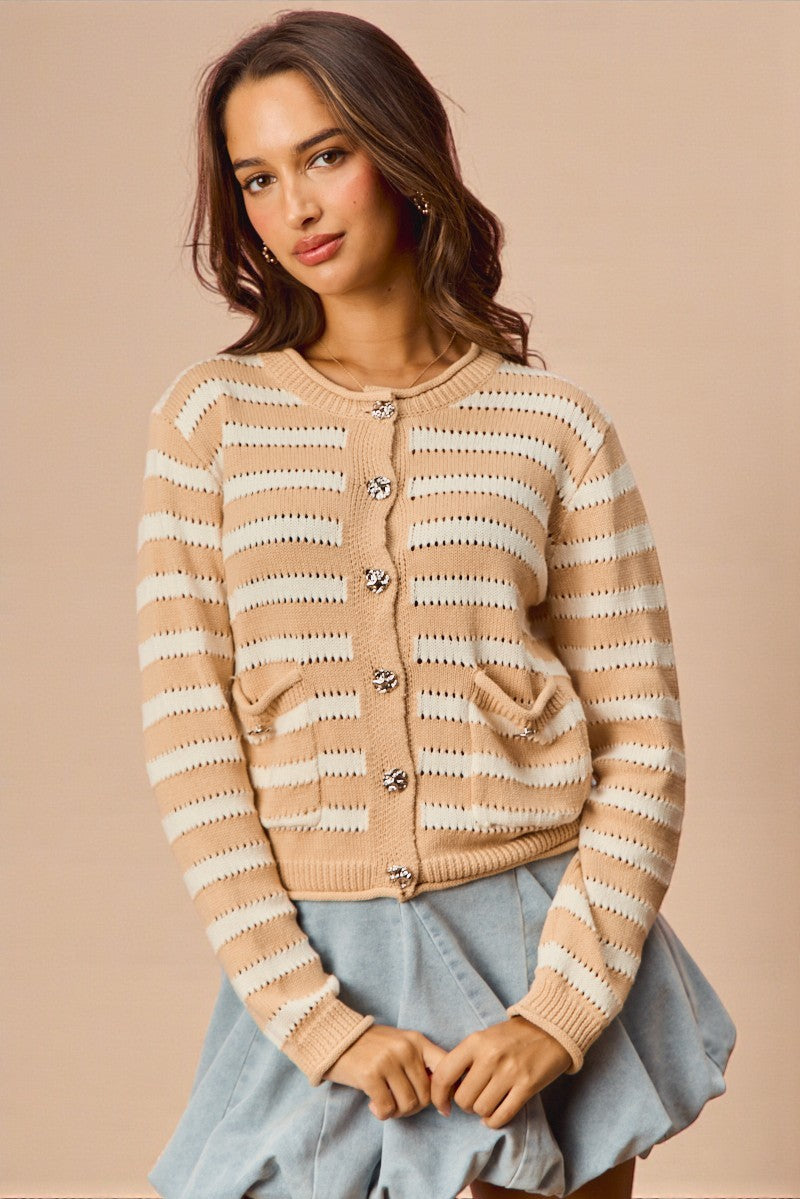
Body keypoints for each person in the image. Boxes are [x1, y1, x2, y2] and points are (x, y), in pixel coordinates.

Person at [135, 9, 736, 1199]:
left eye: (322, 155)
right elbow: (193, 745)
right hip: (314, 969)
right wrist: (317, 1021)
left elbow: (642, 744)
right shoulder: (209, 424)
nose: (293, 207)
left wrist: (559, 1011)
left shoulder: (550, 429)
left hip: (541, 951)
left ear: (398, 154)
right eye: (256, 178)